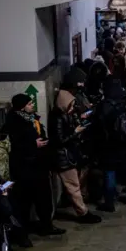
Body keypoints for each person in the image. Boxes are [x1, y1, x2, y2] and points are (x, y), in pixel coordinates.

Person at [3, 94, 65, 236]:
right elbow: (13, 144)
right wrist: (33, 144)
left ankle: (46, 225)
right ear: (22, 106)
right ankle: (23, 230)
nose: (32, 106)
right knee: (24, 200)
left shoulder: (32, 118)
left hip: (39, 165)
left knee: (43, 198)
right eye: (30, 104)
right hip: (25, 168)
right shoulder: (13, 122)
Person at [48, 90, 102, 224]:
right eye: (70, 105)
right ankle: (83, 213)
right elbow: (60, 139)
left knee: (75, 185)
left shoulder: (65, 114)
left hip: (69, 156)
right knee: (73, 186)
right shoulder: (57, 118)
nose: (72, 108)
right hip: (63, 158)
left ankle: (81, 209)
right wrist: (75, 132)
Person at [94, 78, 126, 211]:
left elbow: (98, 125)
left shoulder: (104, 105)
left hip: (111, 145)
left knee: (110, 171)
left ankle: (110, 203)